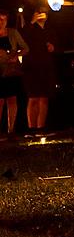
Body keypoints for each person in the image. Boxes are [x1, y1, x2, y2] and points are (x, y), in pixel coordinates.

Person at [22, 6, 57, 134]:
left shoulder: (50, 30)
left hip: (46, 67)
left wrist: (52, 46)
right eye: (40, 12)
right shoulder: (29, 27)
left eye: (45, 13)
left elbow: (55, 44)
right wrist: (31, 22)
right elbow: (22, 38)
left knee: (44, 97)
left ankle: (41, 127)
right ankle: (31, 128)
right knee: (33, 98)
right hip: (31, 67)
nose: (43, 14)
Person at [0, 9, 29, 140]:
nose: (1, 22)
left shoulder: (12, 32)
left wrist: (15, 55)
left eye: (3, 19)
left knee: (12, 100)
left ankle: (11, 130)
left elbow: (25, 48)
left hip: (11, 70)